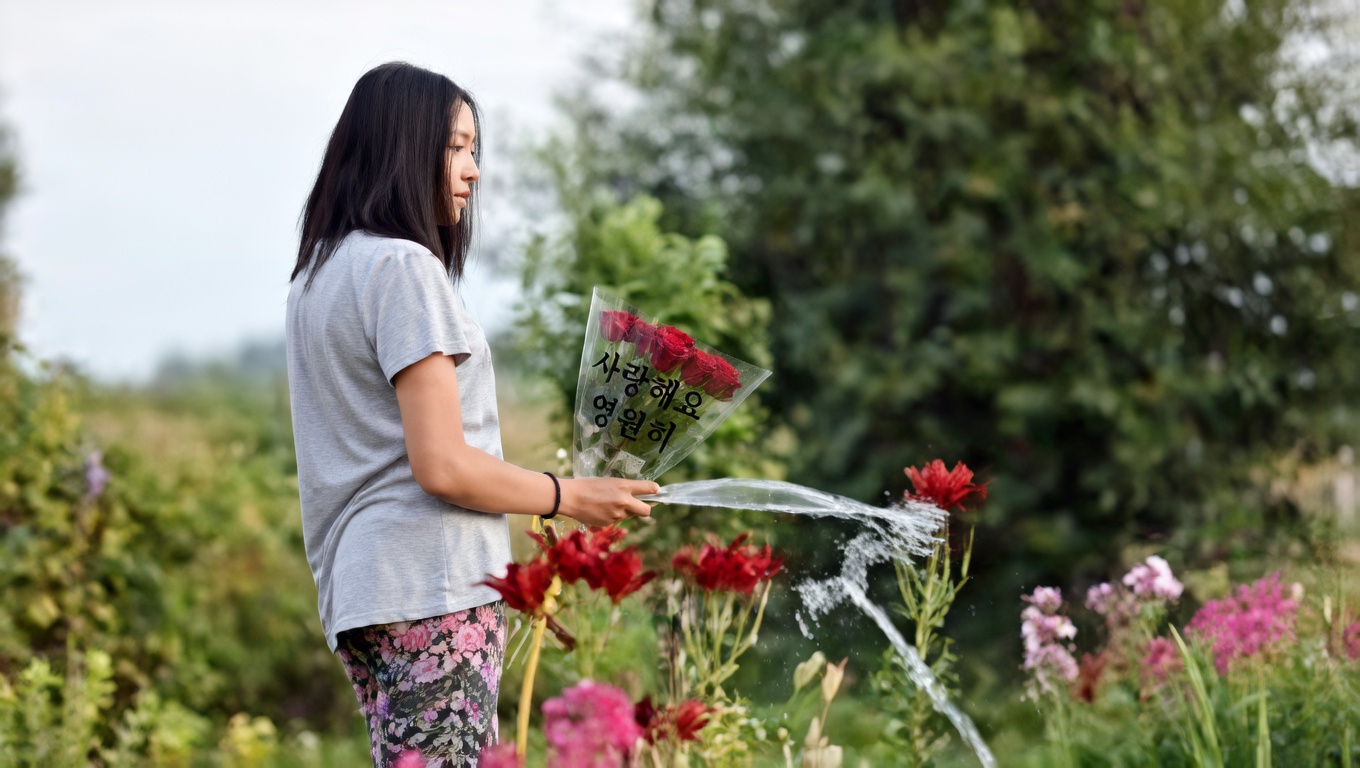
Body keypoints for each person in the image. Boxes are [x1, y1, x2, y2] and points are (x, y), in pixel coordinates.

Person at [285, 61, 657, 767]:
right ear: (404, 146)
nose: (473, 170)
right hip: (433, 583)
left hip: (365, 592)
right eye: (456, 146)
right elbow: (443, 465)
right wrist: (569, 497)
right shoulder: (401, 269)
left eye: (473, 148)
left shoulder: (319, 275)